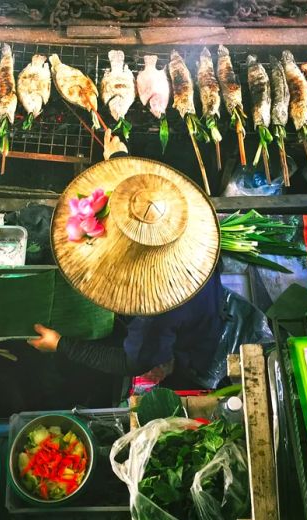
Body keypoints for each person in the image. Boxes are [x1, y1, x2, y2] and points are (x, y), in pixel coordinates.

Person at [28, 130, 259, 390]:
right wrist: (118, 158)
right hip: (208, 303)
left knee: (187, 362)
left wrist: (61, 344)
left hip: (202, 347)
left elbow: (131, 362)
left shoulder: (156, 311)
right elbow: (144, 209)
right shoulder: (185, 220)